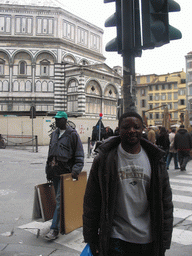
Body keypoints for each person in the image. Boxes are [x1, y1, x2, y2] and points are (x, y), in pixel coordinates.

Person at [83, 112, 173, 256]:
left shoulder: (154, 160)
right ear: (119, 130)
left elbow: (165, 202)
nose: (132, 130)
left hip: (147, 239)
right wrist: (91, 238)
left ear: (142, 129)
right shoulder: (104, 160)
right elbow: (92, 200)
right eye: (126, 127)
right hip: (115, 238)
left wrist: (165, 240)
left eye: (136, 127)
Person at [45, 111, 84, 240]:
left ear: (65, 120)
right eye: (55, 119)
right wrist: (48, 170)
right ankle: (61, 222)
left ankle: (54, 229)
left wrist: (75, 171)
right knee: (59, 201)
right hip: (54, 173)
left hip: (66, 174)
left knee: (59, 200)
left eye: (59, 119)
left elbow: (79, 155)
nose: (56, 121)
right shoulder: (54, 134)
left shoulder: (72, 135)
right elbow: (50, 154)